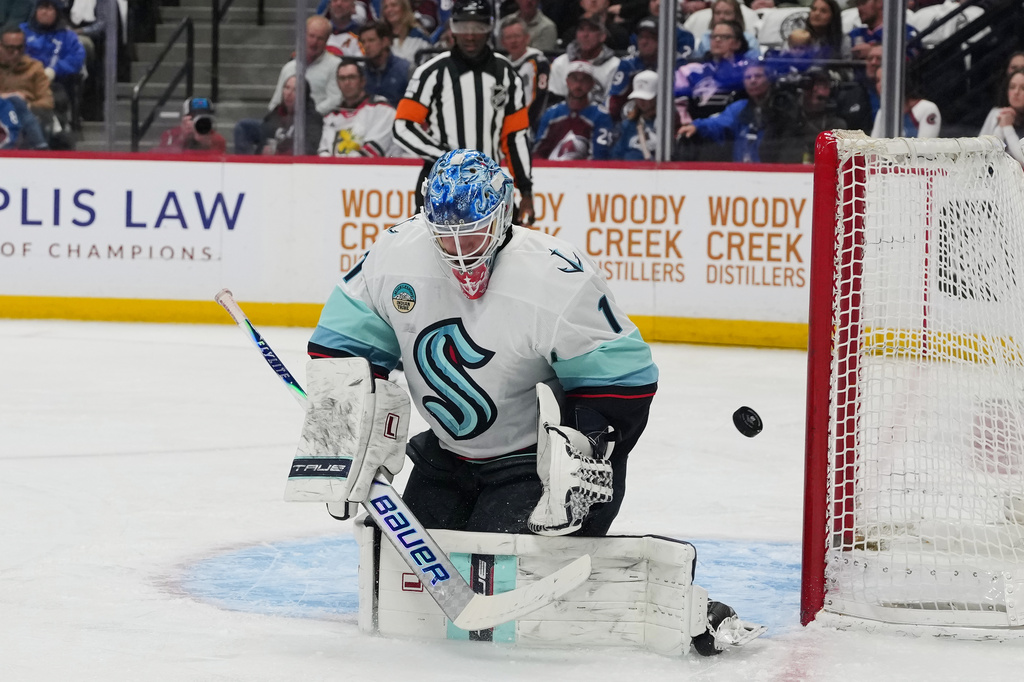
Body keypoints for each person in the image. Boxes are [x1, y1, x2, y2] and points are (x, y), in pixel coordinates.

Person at [303, 147, 658, 541]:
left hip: (532, 463)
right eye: (445, 236)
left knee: (501, 577)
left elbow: (623, 382)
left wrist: (579, 451)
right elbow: (343, 348)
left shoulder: (555, 276)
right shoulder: (395, 253)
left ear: (504, 214)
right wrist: (343, 432)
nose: (459, 251)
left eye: (472, 234)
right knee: (395, 570)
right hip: (446, 457)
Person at [393, 0, 535, 222]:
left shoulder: (506, 73)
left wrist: (525, 190)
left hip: (490, 184)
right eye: (463, 27)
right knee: (433, 252)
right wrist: (443, 157)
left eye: (478, 27)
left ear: (490, 28)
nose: (470, 35)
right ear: (452, 28)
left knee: (503, 253)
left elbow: (515, 136)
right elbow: (402, 126)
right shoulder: (431, 72)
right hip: (440, 184)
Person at [234, 16, 342, 154]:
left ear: (327, 40)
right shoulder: (289, 67)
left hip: (311, 125)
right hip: (283, 123)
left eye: (320, 38)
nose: (314, 42)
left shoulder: (335, 65)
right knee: (244, 127)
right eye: (311, 36)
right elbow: (275, 102)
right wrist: (278, 122)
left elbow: (335, 99)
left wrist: (304, 116)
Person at [676, 62, 784, 163]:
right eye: (748, 77)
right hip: (741, 172)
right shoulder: (740, 107)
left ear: (770, 79)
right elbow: (719, 123)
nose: (752, 80)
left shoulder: (783, 107)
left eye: (758, 76)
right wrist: (697, 126)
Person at [533, 60, 614, 160]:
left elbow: (599, 156)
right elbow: (538, 152)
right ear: (567, 82)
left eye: (584, 80)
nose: (578, 84)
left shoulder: (601, 115)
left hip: (586, 172)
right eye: (574, 79)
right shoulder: (552, 114)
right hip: (551, 171)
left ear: (592, 84)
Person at [319, 58, 400, 157]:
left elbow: (373, 151)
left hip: (375, 171)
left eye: (352, 77)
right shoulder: (331, 117)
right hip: (336, 170)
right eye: (342, 78)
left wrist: (341, 166)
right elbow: (324, 151)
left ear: (362, 81)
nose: (347, 82)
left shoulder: (382, 110)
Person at [673, 19, 749, 121]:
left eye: (724, 37)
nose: (717, 40)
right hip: (696, 129)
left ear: (737, 43)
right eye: (713, 36)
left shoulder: (748, 70)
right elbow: (680, 105)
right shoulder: (690, 70)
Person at [548, 16, 621, 107]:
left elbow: (612, 104)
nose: (585, 35)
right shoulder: (560, 63)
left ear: (602, 36)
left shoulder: (615, 65)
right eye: (581, 30)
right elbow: (555, 101)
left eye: (592, 30)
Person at [498, 15, 549, 133]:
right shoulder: (502, 65)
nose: (513, 41)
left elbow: (540, 98)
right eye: (509, 37)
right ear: (503, 42)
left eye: (517, 36)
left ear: (527, 38)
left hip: (531, 126)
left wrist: (521, 124)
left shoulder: (539, 62)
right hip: (507, 125)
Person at [610, 69, 671, 160]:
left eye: (646, 97)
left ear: (658, 96)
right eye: (638, 97)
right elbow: (616, 156)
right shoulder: (627, 125)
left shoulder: (669, 123)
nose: (641, 101)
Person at [259, 75, 324, 155]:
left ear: (304, 95)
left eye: (295, 90)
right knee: (245, 126)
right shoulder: (275, 113)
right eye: (287, 88)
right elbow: (262, 136)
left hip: (296, 165)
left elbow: (310, 148)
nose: (289, 93)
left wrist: (278, 149)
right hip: (270, 164)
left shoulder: (313, 118)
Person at [869, 67, 940, 139]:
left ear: (901, 80)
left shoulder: (928, 109)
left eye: (886, 79)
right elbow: (874, 145)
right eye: (878, 80)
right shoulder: (882, 112)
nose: (881, 85)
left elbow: (925, 147)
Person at [0, 24, 53, 115]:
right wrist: (6, 98)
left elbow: (47, 102)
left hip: (25, 116)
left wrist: (25, 106)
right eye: (10, 48)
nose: (16, 53)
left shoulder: (34, 68)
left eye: (20, 48)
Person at [358, 20, 410, 106]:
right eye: (363, 42)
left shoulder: (406, 70)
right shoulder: (361, 73)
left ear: (385, 41)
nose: (366, 46)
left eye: (371, 40)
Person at [979, 68, 1024, 167]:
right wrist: (1001, 126)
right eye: (1012, 87)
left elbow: (1022, 158)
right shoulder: (999, 113)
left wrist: (1008, 128)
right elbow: (988, 152)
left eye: (1023, 88)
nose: (1016, 92)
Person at [691, 0, 759, 62]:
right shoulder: (706, 37)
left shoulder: (749, 39)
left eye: (727, 13)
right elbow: (698, 62)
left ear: (737, 15)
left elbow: (754, 63)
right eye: (717, 13)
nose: (722, 17)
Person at [158, 97, 228, 154]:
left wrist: (205, 143)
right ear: (185, 118)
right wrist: (182, 137)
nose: (200, 120)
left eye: (204, 116)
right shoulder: (171, 135)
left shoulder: (217, 139)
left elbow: (219, 162)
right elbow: (163, 158)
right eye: (194, 117)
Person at [380, 0, 434, 66]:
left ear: (404, 8)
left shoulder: (419, 36)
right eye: (385, 7)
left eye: (394, 5)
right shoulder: (380, 37)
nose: (389, 9)